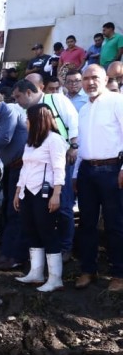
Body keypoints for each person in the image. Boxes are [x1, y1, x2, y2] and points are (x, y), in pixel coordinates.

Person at [12, 77, 79, 263]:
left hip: (61, 157)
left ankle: (65, 247)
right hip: (40, 165)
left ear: (28, 92)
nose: (17, 101)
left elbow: (73, 120)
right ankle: (42, 252)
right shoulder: (28, 113)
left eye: (18, 96)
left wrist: (74, 146)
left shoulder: (55, 99)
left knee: (64, 206)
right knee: (41, 211)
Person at [73, 65, 123, 292]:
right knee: (87, 224)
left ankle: (118, 274)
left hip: (112, 170)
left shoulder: (117, 101)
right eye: (86, 78)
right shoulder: (83, 109)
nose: (90, 82)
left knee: (115, 225)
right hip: (86, 172)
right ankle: (88, 270)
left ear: (105, 79)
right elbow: (81, 144)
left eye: (95, 77)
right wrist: (75, 174)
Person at [13, 104, 67, 292]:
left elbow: (59, 168)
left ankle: (55, 279)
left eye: (28, 119)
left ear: (37, 120)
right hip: (28, 192)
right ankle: (36, 273)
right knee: (31, 230)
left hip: (45, 194)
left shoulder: (55, 140)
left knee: (47, 232)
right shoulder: (31, 142)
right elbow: (25, 168)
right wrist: (18, 191)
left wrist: (57, 194)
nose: (26, 122)